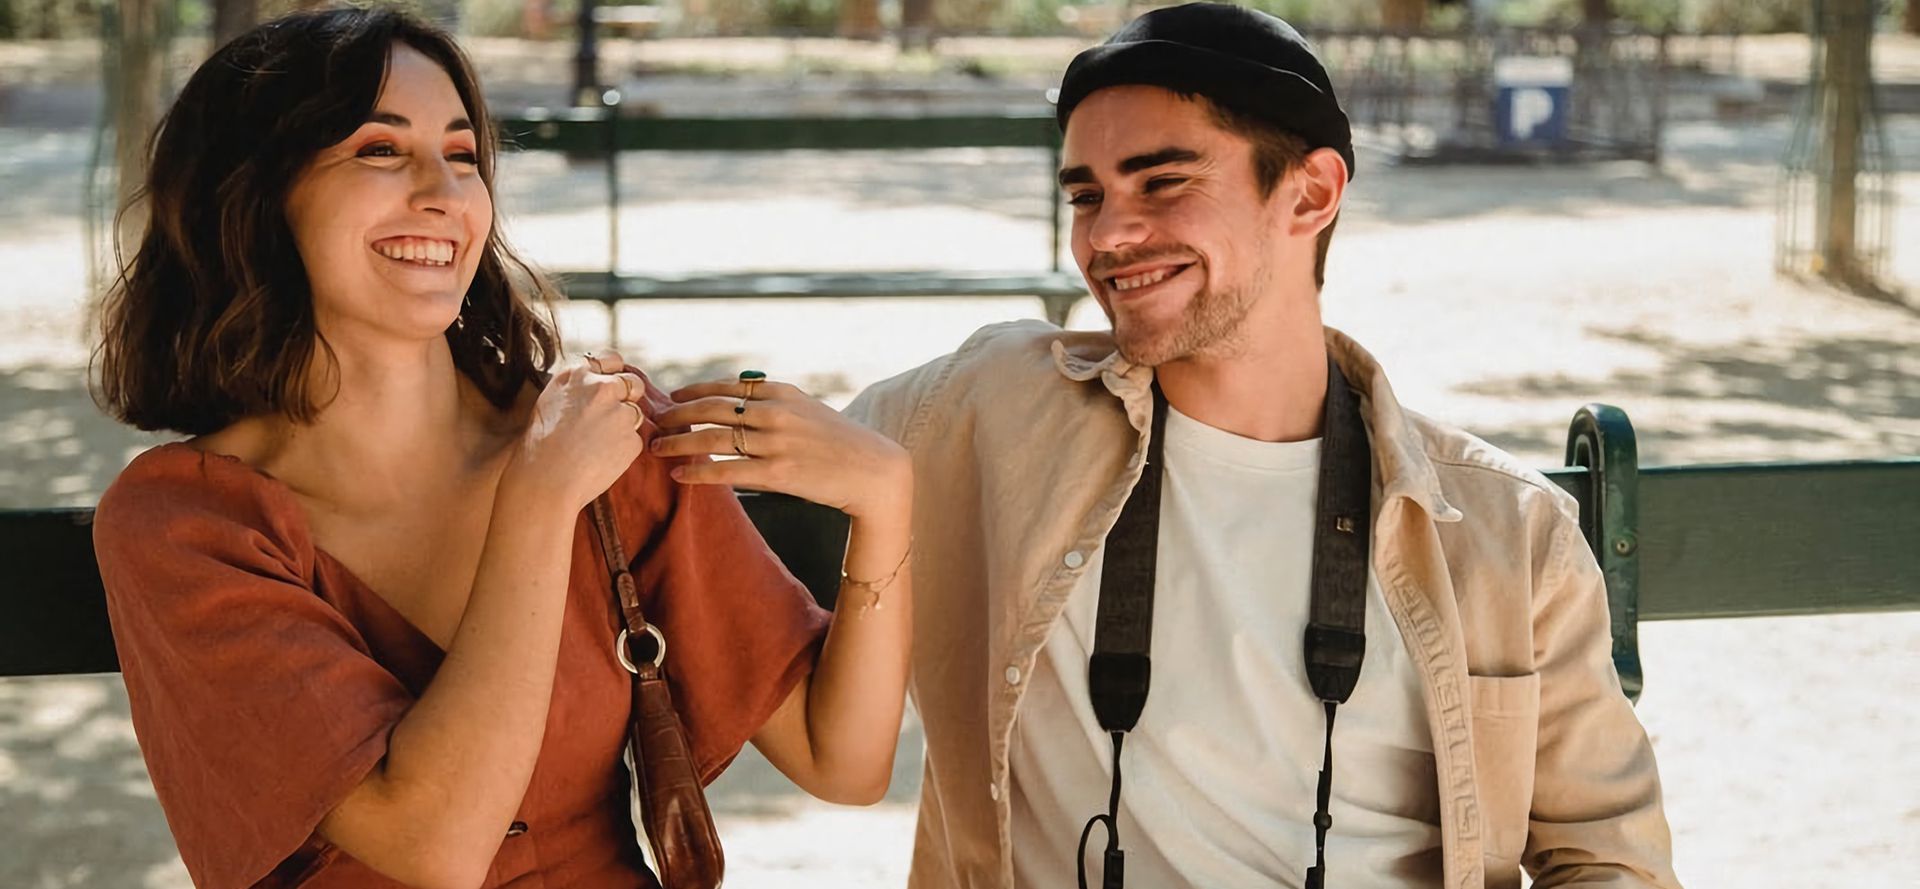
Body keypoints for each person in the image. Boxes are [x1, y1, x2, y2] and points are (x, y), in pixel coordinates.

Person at [845, 4, 1682, 888]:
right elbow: (737, 468)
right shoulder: (994, 404)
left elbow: (1606, 857)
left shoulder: (1509, 530)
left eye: (1160, 181)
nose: (1105, 236)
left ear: (1312, 193)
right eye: (1086, 195)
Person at [89, 7, 914, 888]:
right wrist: (536, 501)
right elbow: (435, 844)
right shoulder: (185, 525)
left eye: (463, 155)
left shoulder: (602, 435)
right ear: (254, 196)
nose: (443, 193)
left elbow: (844, 759)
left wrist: (889, 498)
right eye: (379, 149)